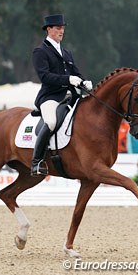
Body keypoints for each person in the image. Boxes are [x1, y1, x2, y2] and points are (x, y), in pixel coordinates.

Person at [31, 14, 92, 176]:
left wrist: (84, 81)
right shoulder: (40, 51)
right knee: (51, 122)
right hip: (50, 97)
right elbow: (44, 76)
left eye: (63, 28)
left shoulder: (66, 52)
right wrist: (68, 79)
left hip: (70, 96)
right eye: (58, 28)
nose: (61, 31)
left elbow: (75, 72)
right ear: (49, 29)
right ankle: (36, 162)